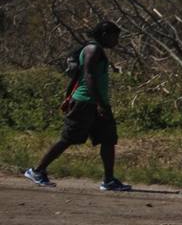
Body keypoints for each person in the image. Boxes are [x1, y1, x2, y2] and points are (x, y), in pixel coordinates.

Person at [25, 21, 132, 191]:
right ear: (104, 34)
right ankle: (37, 171)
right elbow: (88, 75)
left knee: (108, 139)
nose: (116, 41)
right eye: (114, 36)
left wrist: (101, 103)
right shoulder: (93, 49)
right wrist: (99, 103)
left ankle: (109, 180)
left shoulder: (97, 50)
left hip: (97, 103)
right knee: (68, 138)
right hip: (85, 103)